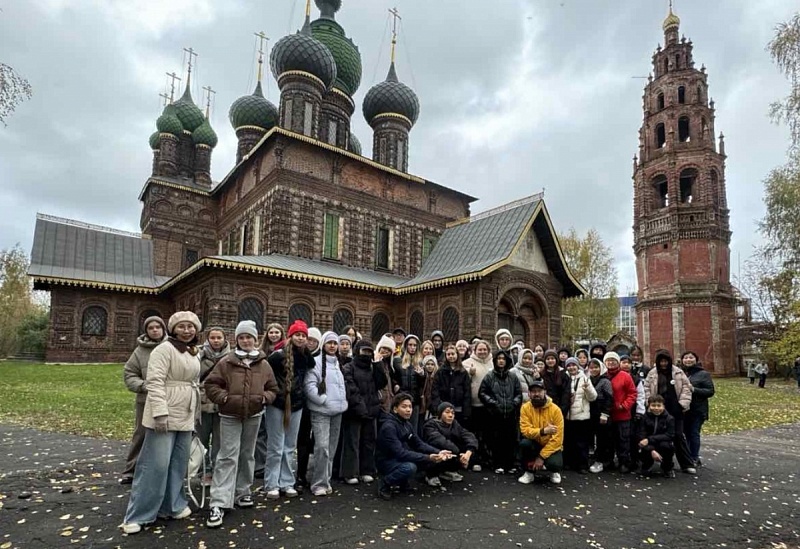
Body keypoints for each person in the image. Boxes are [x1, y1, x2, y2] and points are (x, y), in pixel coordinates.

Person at [120, 311, 202, 535]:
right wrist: (159, 413)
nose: (187, 330)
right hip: (165, 410)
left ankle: (172, 505)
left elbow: (193, 383)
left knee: (178, 462)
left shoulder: (194, 352)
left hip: (185, 413)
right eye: (182, 326)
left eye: (191, 326)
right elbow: (155, 382)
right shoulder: (164, 349)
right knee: (155, 465)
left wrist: (194, 413)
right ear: (173, 329)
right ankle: (140, 514)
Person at [204, 320, 278, 528]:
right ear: (237, 340)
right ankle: (219, 501)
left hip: (253, 415)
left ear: (255, 340)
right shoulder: (227, 361)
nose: (246, 341)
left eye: (249, 337)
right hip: (230, 415)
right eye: (242, 337)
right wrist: (224, 398)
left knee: (247, 455)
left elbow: (273, 387)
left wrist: (264, 398)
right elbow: (211, 383)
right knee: (227, 455)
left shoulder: (263, 364)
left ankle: (242, 491)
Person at [263, 320, 315, 499]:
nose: (301, 338)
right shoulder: (277, 355)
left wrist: (305, 349)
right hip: (278, 403)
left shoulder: (304, 356)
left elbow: (312, 365)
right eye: (297, 335)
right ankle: (272, 483)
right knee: (276, 445)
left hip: (297, 404)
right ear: (290, 336)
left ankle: (287, 481)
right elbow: (266, 376)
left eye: (303, 335)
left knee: (289, 446)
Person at [376, 393, 452, 500]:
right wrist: (428, 457)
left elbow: (418, 444)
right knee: (410, 467)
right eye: (404, 407)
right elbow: (400, 453)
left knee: (431, 460)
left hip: (398, 458)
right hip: (386, 461)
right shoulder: (389, 427)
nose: (408, 410)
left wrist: (439, 452)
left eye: (410, 407)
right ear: (395, 409)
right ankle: (385, 483)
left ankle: (402, 483)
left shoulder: (407, 424)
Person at [120, 315, 168, 485]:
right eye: (151, 328)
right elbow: (129, 373)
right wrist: (143, 385)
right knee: (141, 433)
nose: (155, 330)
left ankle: (160, 470)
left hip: (168, 399)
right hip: (146, 399)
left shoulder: (171, 347)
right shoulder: (140, 351)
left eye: (158, 327)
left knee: (166, 434)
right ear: (146, 330)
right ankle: (131, 470)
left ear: (163, 329)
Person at [304, 331, 348, 497]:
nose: (332, 346)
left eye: (335, 343)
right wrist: (323, 400)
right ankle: (318, 483)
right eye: (329, 343)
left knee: (331, 447)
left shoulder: (338, 363)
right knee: (321, 447)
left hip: (337, 412)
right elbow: (310, 386)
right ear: (323, 344)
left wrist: (342, 402)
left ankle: (326, 480)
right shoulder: (315, 362)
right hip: (321, 412)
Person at [341, 339, 388, 485]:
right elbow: (351, 389)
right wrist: (360, 408)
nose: (366, 354)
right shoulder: (348, 367)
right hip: (354, 411)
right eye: (364, 351)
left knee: (369, 442)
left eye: (369, 351)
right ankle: (350, 472)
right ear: (357, 352)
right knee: (352, 443)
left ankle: (367, 470)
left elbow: (381, 383)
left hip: (371, 410)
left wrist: (378, 365)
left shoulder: (372, 368)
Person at [644, 349, 695, 474]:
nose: (663, 364)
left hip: (675, 408)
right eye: (661, 361)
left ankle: (687, 463)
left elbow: (686, 388)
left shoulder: (678, 372)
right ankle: (660, 462)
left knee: (678, 435)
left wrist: (682, 404)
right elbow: (646, 389)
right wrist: (649, 404)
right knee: (657, 436)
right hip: (657, 408)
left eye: (665, 361)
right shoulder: (652, 373)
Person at [478, 350, 522, 474]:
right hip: (495, 414)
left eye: (503, 358)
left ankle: (510, 464)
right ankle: (498, 464)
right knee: (496, 440)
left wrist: (514, 403)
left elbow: (518, 393)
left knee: (510, 439)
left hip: (510, 413)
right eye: (499, 358)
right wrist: (493, 403)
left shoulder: (513, 376)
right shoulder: (489, 376)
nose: (501, 361)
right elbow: (482, 393)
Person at [197, 327, 230, 486]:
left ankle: (218, 470)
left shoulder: (231, 357)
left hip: (221, 404)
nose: (216, 341)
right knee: (201, 440)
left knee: (219, 440)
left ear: (225, 339)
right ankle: (204, 471)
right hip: (201, 403)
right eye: (213, 338)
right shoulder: (198, 355)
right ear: (207, 339)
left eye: (219, 338)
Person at [517, 380, 564, 486]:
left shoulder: (555, 410)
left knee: (555, 464)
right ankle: (529, 472)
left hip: (550, 444)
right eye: (533, 391)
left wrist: (541, 457)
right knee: (525, 444)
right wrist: (542, 431)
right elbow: (525, 431)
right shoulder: (525, 408)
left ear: (545, 392)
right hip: (534, 442)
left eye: (539, 391)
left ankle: (554, 472)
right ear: (529, 393)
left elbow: (558, 439)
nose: (536, 394)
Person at [254, 322, 285, 480]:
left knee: (273, 432)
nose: (274, 335)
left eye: (277, 332)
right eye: (271, 332)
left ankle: (270, 463)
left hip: (277, 395)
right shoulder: (260, 352)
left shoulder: (285, 352)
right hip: (261, 393)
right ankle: (260, 465)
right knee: (260, 431)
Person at [422, 402, 478, 484]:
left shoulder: (454, 424)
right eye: (447, 412)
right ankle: (430, 475)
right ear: (440, 413)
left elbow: (467, 435)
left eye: (453, 413)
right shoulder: (430, 425)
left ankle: (448, 470)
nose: (450, 415)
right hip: (437, 453)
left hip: (452, 453)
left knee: (469, 449)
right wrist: (458, 454)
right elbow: (440, 441)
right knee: (439, 451)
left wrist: (468, 453)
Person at [296, 326, 323, 491]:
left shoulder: (323, 358)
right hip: (302, 404)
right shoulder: (299, 356)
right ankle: (301, 475)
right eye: (309, 339)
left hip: (319, 404)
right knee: (303, 441)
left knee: (320, 442)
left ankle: (318, 476)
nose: (311, 343)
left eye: (314, 340)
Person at [604, 352, 638, 474]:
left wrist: (625, 405)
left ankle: (624, 462)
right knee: (608, 439)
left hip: (622, 414)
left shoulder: (625, 376)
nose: (611, 362)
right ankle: (609, 460)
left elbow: (632, 393)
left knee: (623, 439)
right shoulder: (603, 375)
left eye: (613, 360)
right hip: (607, 414)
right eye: (608, 360)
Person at [463, 339, 494, 471]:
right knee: (474, 434)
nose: (482, 352)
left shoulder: (493, 363)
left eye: (484, 349)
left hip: (489, 405)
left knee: (488, 434)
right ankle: (474, 460)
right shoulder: (467, 363)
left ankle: (487, 459)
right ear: (475, 350)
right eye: (479, 349)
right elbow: (463, 383)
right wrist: (470, 374)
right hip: (474, 405)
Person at [680, 351, 715, 466]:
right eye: (686, 358)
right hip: (684, 409)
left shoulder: (703, 374)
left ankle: (694, 457)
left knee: (694, 433)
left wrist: (694, 389)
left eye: (691, 358)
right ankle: (688, 455)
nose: (688, 360)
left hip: (697, 409)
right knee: (685, 434)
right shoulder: (680, 373)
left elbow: (710, 391)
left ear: (696, 360)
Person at [564, 357, 597, 473]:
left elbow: (593, 397)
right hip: (568, 416)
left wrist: (587, 389)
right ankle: (570, 463)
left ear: (578, 366)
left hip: (582, 416)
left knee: (582, 442)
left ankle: (582, 465)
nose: (571, 367)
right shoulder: (564, 378)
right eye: (569, 365)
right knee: (569, 442)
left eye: (574, 365)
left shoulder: (585, 378)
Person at [430, 344, 472, 424]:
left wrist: (467, 410)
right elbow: (435, 389)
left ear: (457, 355)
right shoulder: (441, 371)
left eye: (453, 354)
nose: (451, 356)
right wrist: (437, 406)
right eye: (448, 354)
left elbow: (467, 392)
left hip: (459, 407)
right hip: (444, 406)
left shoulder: (463, 372)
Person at [392, 334, 425, 433]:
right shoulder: (397, 360)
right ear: (406, 346)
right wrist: (395, 385)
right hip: (401, 398)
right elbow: (392, 376)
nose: (412, 347)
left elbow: (423, 385)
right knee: (400, 428)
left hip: (414, 401)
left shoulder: (420, 362)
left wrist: (421, 375)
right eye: (410, 345)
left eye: (414, 345)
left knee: (412, 429)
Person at [637, 395, 676, 478]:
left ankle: (667, 468)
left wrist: (649, 439)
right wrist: (652, 450)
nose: (656, 408)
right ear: (649, 406)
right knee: (642, 445)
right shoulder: (644, 418)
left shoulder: (669, 419)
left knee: (666, 446)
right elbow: (641, 434)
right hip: (648, 445)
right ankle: (646, 465)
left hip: (662, 443)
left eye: (659, 405)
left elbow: (670, 435)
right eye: (653, 405)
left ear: (663, 406)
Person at [587, 359, 613, 474]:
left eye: (596, 367)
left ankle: (601, 461)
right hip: (590, 413)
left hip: (602, 413)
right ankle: (593, 458)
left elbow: (609, 399)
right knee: (591, 437)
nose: (593, 370)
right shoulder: (587, 380)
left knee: (603, 438)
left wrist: (605, 414)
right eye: (591, 368)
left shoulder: (605, 381)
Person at [620, 354, 646, 469]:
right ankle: (624, 460)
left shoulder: (636, 379)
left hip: (633, 410)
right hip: (620, 410)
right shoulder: (616, 377)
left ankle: (635, 459)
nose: (626, 365)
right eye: (623, 362)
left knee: (634, 436)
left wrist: (640, 411)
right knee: (622, 436)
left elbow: (640, 395)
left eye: (628, 363)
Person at [541, 350, 571, 418]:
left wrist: (562, 409)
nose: (550, 361)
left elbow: (566, 393)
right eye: (548, 359)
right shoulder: (542, 374)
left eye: (552, 358)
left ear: (556, 360)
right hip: (545, 407)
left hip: (560, 407)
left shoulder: (563, 373)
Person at [419, 355, 439, 429]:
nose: (430, 366)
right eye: (427, 364)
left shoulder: (437, 377)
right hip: (422, 404)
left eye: (432, 364)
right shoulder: (422, 376)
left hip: (433, 405)